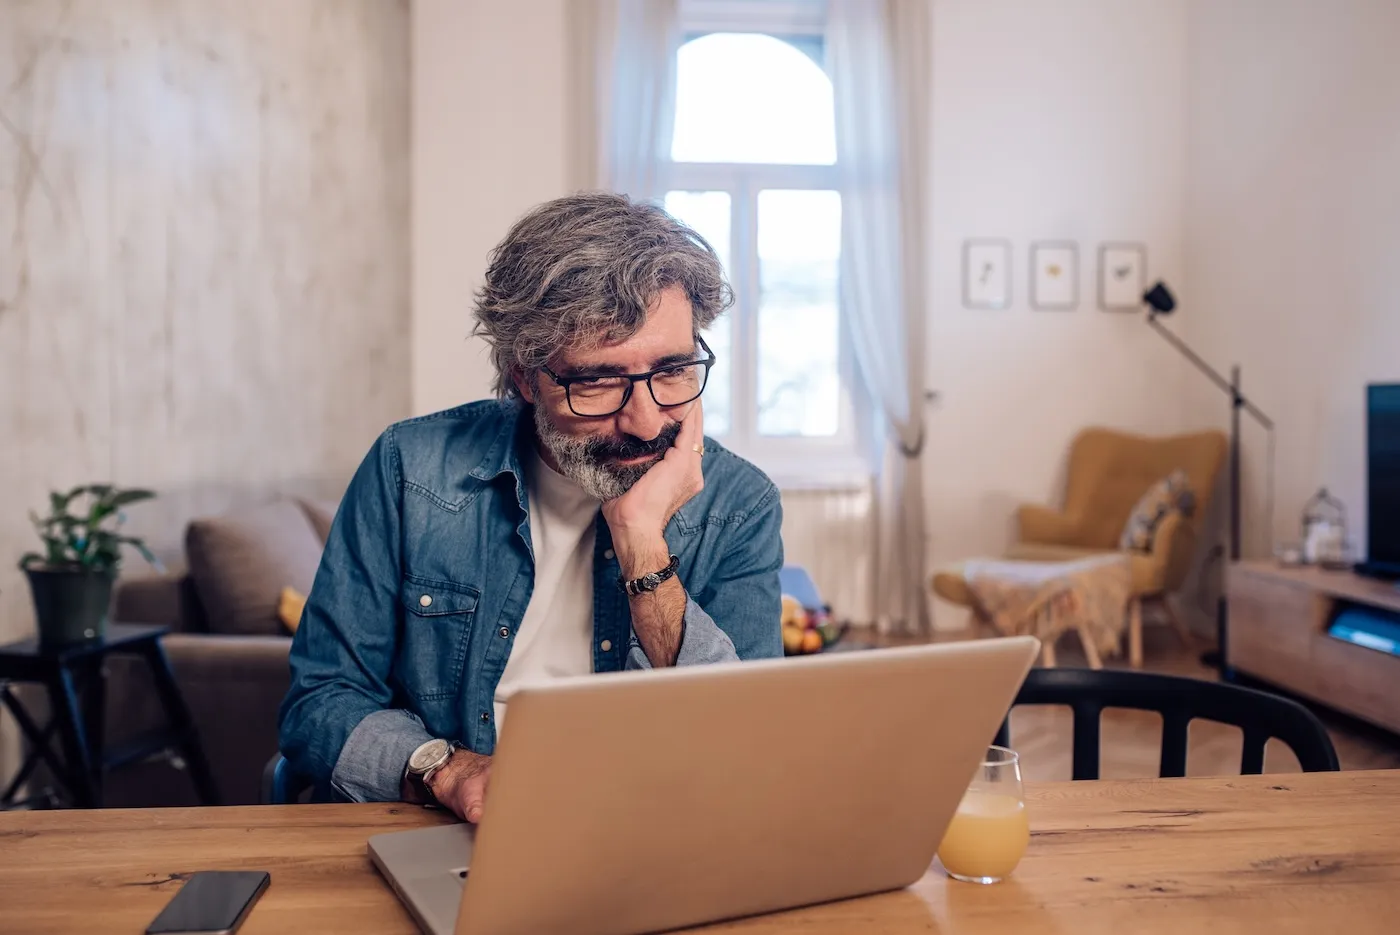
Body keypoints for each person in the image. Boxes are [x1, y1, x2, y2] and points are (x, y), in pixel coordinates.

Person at [277, 191, 783, 823]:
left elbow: (745, 743)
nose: (647, 419)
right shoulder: (412, 469)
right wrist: (448, 770)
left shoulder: (740, 504)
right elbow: (320, 703)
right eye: (598, 381)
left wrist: (640, 538)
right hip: (440, 825)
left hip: (642, 826)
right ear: (526, 376)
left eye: (674, 370)